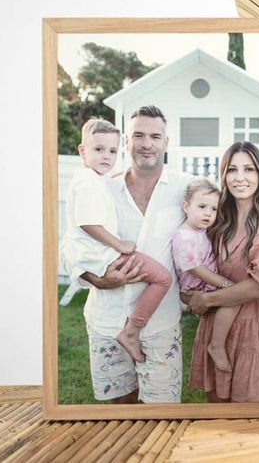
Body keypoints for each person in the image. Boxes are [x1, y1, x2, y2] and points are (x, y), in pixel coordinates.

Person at [75, 106, 192, 404]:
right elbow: (70, 244)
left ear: (167, 142)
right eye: (138, 135)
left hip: (160, 324)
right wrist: (96, 279)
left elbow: (230, 208)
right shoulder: (103, 188)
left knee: (161, 414)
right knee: (119, 412)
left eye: (155, 136)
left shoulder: (186, 188)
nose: (146, 143)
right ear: (126, 142)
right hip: (107, 318)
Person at [61, 118, 172, 364]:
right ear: (82, 151)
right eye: (98, 150)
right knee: (163, 278)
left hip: (99, 258)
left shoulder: (93, 180)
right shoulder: (89, 183)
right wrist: (119, 245)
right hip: (105, 259)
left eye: (112, 151)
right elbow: (87, 224)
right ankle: (131, 333)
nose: (106, 156)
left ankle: (131, 330)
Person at [185, 141, 259, 402]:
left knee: (250, 413)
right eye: (232, 170)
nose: (240, 178)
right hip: (216, 327)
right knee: (217, 410)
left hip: (254, 330)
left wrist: (206, 300)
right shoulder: (216, 219)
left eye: (249, 169)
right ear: (224, 176)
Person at [171, 178, 240, 372]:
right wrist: (226, 283)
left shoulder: (200, 231)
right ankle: (216, 345)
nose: (208, 213)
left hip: (205, 285)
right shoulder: (184, 237)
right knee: (234, 298)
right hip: (196, 288)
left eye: (213, 209)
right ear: (186, 206)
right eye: (202, 206)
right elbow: (197, 269)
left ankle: (219, 342)